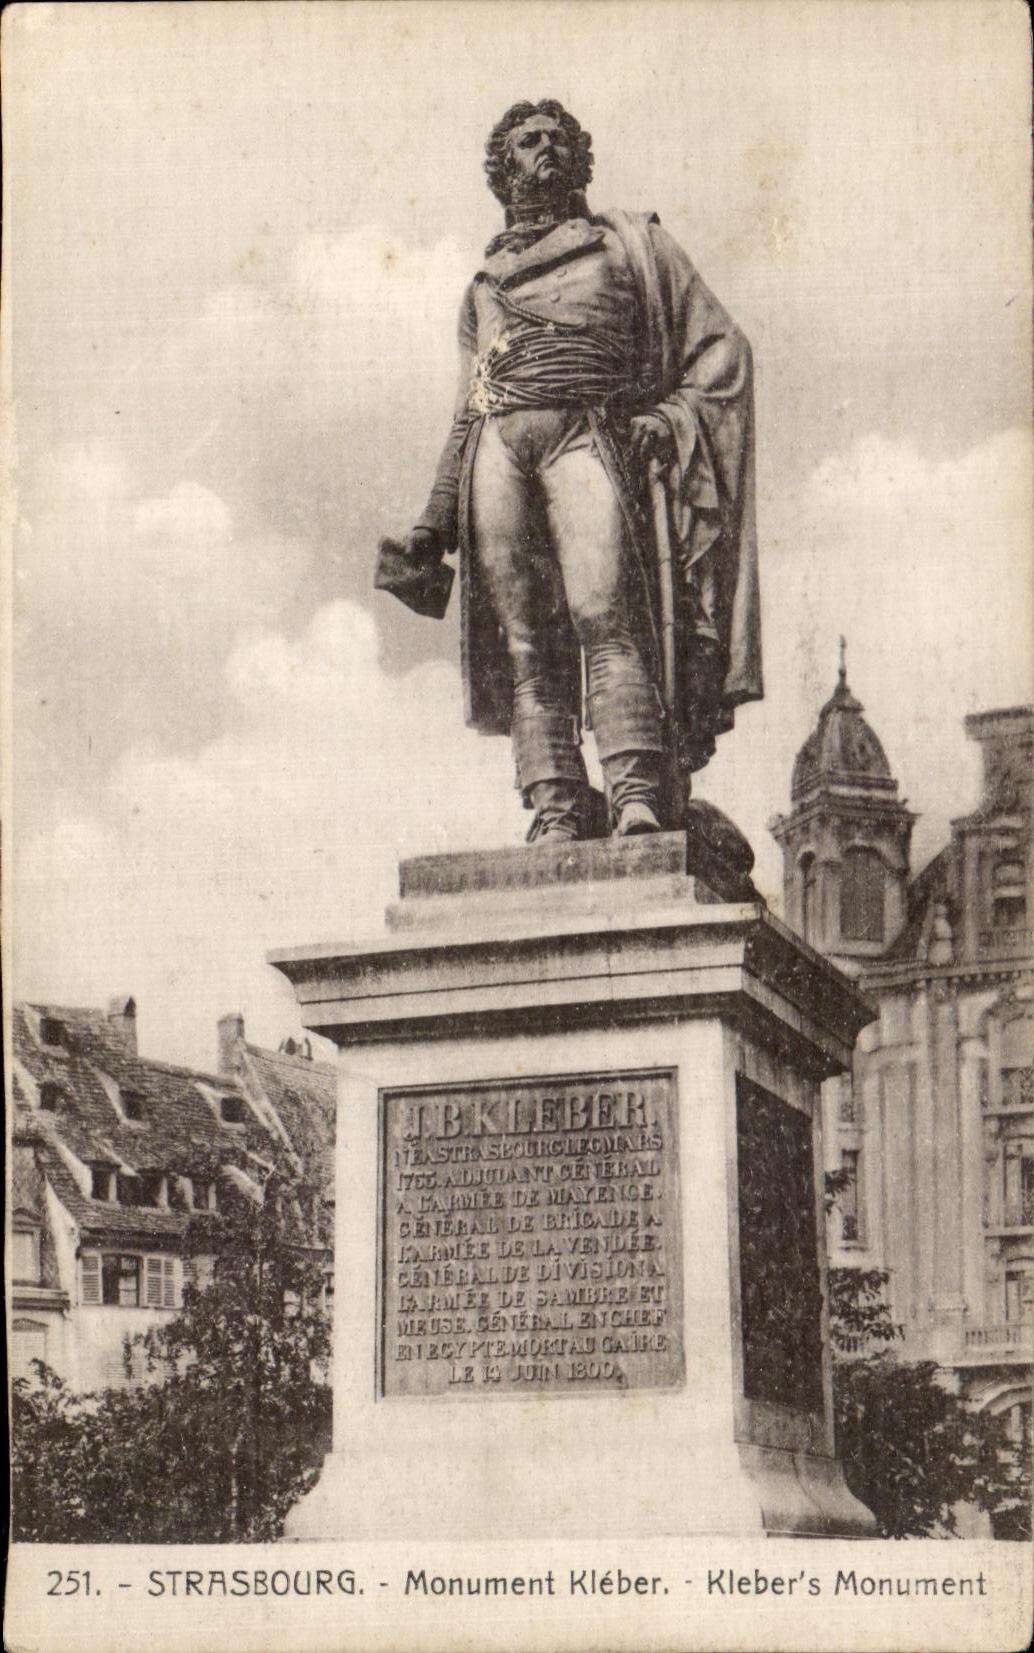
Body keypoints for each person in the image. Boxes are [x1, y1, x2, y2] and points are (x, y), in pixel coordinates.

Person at [381, 100, 762, 843]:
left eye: (557, 139)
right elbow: (469, 409)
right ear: (505, 168)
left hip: (585, 435)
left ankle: (635, 794)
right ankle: (555, 803)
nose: (545, 148)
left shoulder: (629, 247)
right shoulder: (482, 286)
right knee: (526, 643)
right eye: (528, 141)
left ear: (579, 159)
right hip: (497, 451)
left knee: (606, 618)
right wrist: (432, 521)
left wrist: (669, 417)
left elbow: (724, 349)